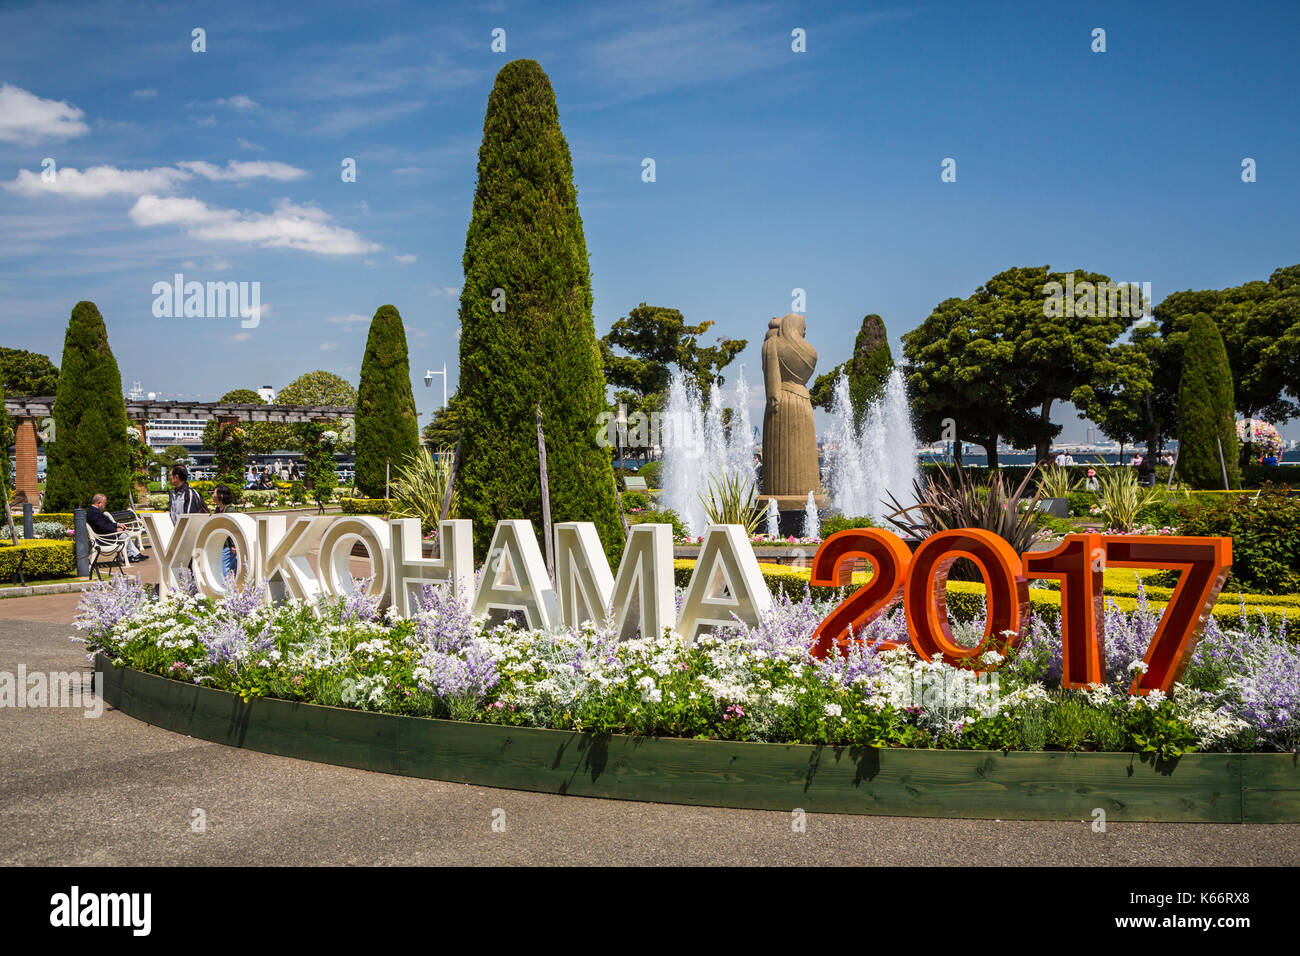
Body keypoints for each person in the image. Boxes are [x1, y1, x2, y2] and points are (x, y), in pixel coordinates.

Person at [86, 494, 146, 562]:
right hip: (104, 538)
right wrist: (115, 530)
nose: (105, 505)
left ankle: (135, 554)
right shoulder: (94, 513)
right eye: (104, 503)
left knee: (125, 533)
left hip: (106, 534)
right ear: (99, 503)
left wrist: (118, 525)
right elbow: (102, 527)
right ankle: (131, 555)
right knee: (125, 535)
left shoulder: (94, 511)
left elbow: (106, 523)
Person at [212, 484, 238, 581]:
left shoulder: (230, 510)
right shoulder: (218, 509)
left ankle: (228, 591)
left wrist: (233, 545)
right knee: (229, 569)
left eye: (214, 493)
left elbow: (233, 527)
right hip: (221, 544)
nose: (213, 495)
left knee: (225, 570)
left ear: (221, 496)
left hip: (228, 546)